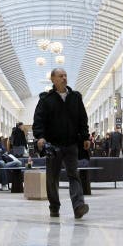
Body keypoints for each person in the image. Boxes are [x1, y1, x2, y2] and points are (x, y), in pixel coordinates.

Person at [32, 68, 90, 220]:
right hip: (53, 145)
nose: (64, 78)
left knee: (74, 175)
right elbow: (38, 120)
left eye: (65, 75)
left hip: (71, 143)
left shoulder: (75, 97)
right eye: (60, 76)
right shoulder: (46, 99)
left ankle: (78, 206)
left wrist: (85, 137)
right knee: (52, 178)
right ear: (53, 79)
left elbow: (83, 119)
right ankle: (54, 207)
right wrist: (40, 137)